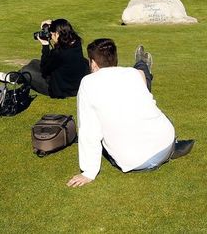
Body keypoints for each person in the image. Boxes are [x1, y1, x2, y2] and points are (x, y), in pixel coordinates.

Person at [66, 39, 193, 187]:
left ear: (93, 63)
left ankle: (142, 64)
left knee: (105, 133)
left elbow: (89, 129)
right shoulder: (132, 74)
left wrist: (88, 172)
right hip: (166, 142)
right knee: (160, 114)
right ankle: (142, 64)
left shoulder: (88, 82)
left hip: (134, 161)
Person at [9, 18, 88, 99]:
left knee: (27, 71)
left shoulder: (59, 53)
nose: (51, 36)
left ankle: (15, 78)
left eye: (52, 34)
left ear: (57, 34)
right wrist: (52, 23)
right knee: (34, 62)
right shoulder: (76, 41)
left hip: (61, 89)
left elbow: (44, 69)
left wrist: (45, 45)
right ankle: (17, 77)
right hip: (74, 82)